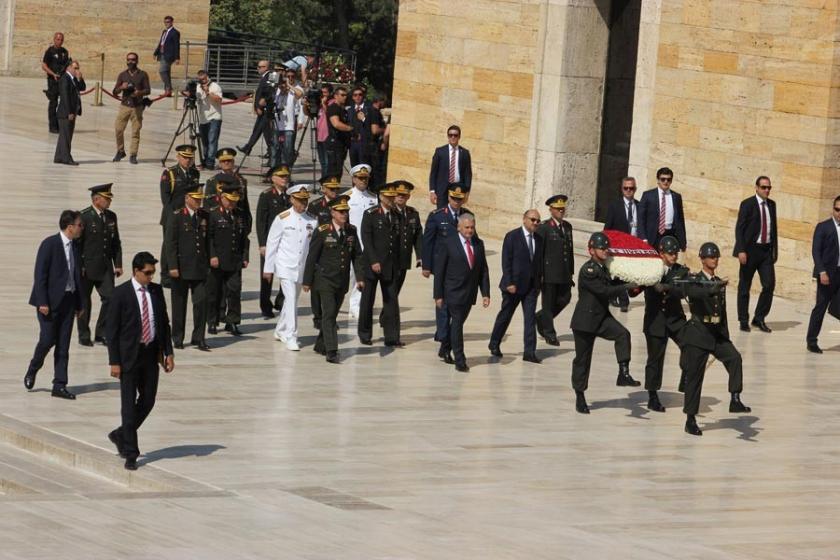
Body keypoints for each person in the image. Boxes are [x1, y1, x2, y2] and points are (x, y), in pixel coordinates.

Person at [105, 252, 174, 470]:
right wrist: (114, 361)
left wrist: (168, 352)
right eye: (147, 273)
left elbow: (163, 322)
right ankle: (131, 453)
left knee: (148, 400)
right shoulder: (121, 294)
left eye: (153, 272)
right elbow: (112, 331)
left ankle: (120, 433)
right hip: (128, 357)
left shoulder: (156, 291)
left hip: (150, 354)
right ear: (136, 271)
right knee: (128, 404)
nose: (151, 277)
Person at [680, 242, 751, 436]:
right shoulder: (694, 280)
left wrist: (726, 336)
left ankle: (735, 399)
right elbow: (694, 293)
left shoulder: (718, 281)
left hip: (716, 332)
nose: (715, 260)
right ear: (702, 259)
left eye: (717, 257)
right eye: (711, 257)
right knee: (695, 377)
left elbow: (723, 311)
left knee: (734, 358)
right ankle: (690, 419)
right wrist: (712, 289)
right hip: (699, 332)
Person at [570, 232, 640, 414]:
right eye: (601, 248)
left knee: (623, 334)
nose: (605, 251)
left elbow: (617, 281)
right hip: (585, 321)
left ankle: (623, 373)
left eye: (606, 248)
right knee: (582, 360)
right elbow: (603, 291)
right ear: (591, 250)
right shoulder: (589, 270)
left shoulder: (606, 268)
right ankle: (580, 395)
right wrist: (625, 287)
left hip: (601, 318)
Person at [24, 210, 84, 399]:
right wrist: (42, 301)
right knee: (48, 339)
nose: (81, 228)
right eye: (79, 225)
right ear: (70, 227)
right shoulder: (49, 244)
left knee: (64, 345)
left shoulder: (75, 247)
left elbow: (77, 277)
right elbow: (40, 275)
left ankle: (59, 384)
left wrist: (80, 304)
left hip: (68, 301)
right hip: (49, 302)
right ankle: (33, 367)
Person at [302, 195, 364, 363]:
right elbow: (312, 257)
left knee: (332, 314)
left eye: (346, 211)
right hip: (324, 280)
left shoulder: (351, 230)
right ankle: (332, 351)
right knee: (329, 315)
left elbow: (357, 256)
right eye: (341, 211)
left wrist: (360, 277)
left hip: (341, 281)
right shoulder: (323, 231)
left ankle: (320, 344)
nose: (344, 214)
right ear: (332, 212)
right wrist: (307, 281)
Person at [433, 213, 491, 372]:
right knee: (457, 324)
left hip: (469, 293)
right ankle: (460, 359)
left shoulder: (479, 244)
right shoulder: (448, 243)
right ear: (459, 227)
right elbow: (440, 271)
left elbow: (483, 271)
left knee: (457, 324)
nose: (470, 230)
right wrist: (438, 295)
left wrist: (485, 293)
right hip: (452, 292)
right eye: (466, 227)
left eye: (472, 227)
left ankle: (445, 347)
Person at [422, 184, 472, 363]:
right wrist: (426, 265)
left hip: (459, 268)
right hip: (441, 266)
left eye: (460, 199)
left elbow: (471, 239)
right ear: (448, 198)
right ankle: (444, 338)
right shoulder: (437, 216)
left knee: (456, 307)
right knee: (442, 304)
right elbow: (427, 241)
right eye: (453, 198)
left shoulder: (467, 216)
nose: (457, 202)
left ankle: (445, 338)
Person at [263, 184, 317, 351]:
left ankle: (280, 329)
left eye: (305, 200)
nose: (303, 203)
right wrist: (268, 268)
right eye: (300, 200)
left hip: (302, 267)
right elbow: (272, 243)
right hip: (285, 265)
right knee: (292, 298)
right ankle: (291, 335)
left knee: (290, 300)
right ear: (292, 199)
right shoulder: (282, 218)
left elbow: (313, 246)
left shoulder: (313, 220)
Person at [489, 209, 543, 363]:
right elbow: (506, 261)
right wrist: (509, 282)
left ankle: (529, 352)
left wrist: (539, 284)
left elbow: (539, 263)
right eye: (533, 220)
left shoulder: (539, 239)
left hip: (531, 287)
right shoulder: (512, 236)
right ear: (524, 219)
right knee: (506, 315)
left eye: (538, 221)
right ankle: (494, 343)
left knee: (530, 318)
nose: (535, 223)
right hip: (513, 286)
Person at [642, 236, 688, 413]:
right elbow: (635, 291)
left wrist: (666, 287)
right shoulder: (650, 270)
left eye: (675, 253)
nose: (674, 256)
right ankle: (652, 395)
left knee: (689, 345)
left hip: (675, 319)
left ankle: (685, 375)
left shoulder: (681, 271)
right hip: (655, 321)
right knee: (655, 359)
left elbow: (681, 289)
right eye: (670, 253)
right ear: (661, 253)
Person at [164, 185, 210, 351]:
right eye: (196, 199)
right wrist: (173, 266)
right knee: (179, 305)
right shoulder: (176, 217)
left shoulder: (205, 215)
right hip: (181, 268)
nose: (199, 201)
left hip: (199, 268)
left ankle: (199, 337)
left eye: (200, 199)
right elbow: (170, 244)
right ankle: (177, 337)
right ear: (187, 199)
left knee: (201, 302)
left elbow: (208, 241)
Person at [77, 184, 122, 347]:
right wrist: (79, 266)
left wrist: (118, 263)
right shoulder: (84, 217)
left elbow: (116, 241)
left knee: (110, 299)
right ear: (96, 200)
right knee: (84, 302)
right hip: (87, 267)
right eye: (106, 198)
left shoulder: (111, 216)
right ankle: (83, 334)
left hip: (105, 267)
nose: (109, 201)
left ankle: (101, 333)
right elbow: (77, 245)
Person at [358, 183, 402, 346]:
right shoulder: (370, 214)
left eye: (393, 197)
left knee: (391, 302)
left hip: (390, 265)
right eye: (389, 197)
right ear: (381, 197)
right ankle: (365, 334)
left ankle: (392, 337)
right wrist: (373, 260)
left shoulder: (396, 215)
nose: (391, 200)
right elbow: (366, 239)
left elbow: (398, 241)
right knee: (368, 300)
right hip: (372, 264)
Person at [207, 181, 251, 336]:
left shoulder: (239, 215)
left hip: (235, 260)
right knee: (215, 292)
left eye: (235, 201)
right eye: (230, 200)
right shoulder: (213, 213)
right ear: (222, 198)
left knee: (234, 292)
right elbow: (209, 238)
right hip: (218, 260)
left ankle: (232, 322)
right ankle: (212, 321)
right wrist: (212, 255)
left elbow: (245, 238)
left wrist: (245, 256)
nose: (232, 203)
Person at [734, 176, 777, 333]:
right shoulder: (747, 204)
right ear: (757, 188)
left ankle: (759, 318)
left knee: (769, 284)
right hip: (749, 251)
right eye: (764, 187)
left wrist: (774, 251)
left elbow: (774, 229)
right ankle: (743, 320)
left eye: (769, 188)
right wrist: (741, 249)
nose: (767, 190)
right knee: (745, 286)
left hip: (765, 251)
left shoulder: (772, 205)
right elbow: (740, 228)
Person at [534, 195, 574, 346]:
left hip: (564, 273)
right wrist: (540, 274)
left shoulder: (568, 227)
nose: (561, 211)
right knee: (548, 303)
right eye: (557, 209)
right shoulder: (544, 227)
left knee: (565, 298)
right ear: (551, 210)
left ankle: (541, 317)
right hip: (549, 273)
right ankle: (549, 333)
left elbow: (568, 251)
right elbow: (539, 253)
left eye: (562, 208)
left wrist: (571, 271)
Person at [159, 145, 200, 286]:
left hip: (188, 215)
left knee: (185, 245)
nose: (188, 160)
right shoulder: (169, 173)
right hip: (172, 216)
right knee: (169, 245)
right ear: (178, 157)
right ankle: (165, 275)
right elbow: (166, 199)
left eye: (190, 158)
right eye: (185, 157)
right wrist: (173, 217)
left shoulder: (195, 173)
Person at [256, 165, 292, 318]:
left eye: (286, 176)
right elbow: (261, 221)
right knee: (267, 275)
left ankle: (281, 301)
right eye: (281, 176)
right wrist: (263, 244)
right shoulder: (266, 196)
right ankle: (265, 306)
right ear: (273, 178)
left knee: (286, 272)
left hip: (286, 242)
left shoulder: (290, 196)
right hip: (271, 242)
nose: (285, 179)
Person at [805, 197, 840, 353]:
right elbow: (816, 251)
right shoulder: (823, 227)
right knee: (820, 307)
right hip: (827, 275)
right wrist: (822, 271)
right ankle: (811, 341)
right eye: (838, 209)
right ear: (833, 209)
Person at [347, 164, 378, 319]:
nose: (363, 181)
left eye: (365, 178)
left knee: (362, 275)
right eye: (360, 178)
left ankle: (355, 305)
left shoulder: (373, 198)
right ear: (353, 179)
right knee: (350, 275)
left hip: (367, 243)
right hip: (352, 241)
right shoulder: (347, 197)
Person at [603, 177, 639, 312]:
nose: (628, 191)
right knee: (622, 272)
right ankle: (624, 301)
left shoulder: (639, 205)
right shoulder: (614, 205)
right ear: (622, 189)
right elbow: (608, 227)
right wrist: (606, 245)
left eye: (631, 188)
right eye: (626, 188)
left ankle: (612, 293)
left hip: (634, 245)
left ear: (635, 189)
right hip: (619, 245)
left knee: (624, 273)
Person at [112, 53, 150, 164]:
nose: (130, 62)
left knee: (135, 132)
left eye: (133, 60)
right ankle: (120, 150)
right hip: (125, 105)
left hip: (137, 106)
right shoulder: (122, 75)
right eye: (128, 60)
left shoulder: (142, 74)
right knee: (118, 129)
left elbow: (148, 90)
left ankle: (133, 155)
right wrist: (121, 87)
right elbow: (115, 91)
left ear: (137, 61)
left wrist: (139, 92)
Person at [638, 167, 687, 251]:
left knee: (668, 262)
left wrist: (683, 242)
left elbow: (680, 220)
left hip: (670, 235)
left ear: (671, 181)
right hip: (653, 236)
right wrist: (643, 238)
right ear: (658, 180)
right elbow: (641, 218)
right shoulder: (648, 195)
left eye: (668, 179)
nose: (665, 182)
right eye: (663, 179)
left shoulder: (676, 197)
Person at [429, 125, 472, 209]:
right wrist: (432, 191)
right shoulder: (440, 151)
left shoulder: (464, 153)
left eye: (455, 135)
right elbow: (434, 172)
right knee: (441, 214)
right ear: (447, 136)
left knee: (455, 215)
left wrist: (467, 192)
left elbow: (468, 174)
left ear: (459, 137)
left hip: (458, 189)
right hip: (442, 190)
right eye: (450, 135)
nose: (453, 137)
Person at [205, 148, 252, 226]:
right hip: (218, 220)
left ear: (233, 162)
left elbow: (245, 204)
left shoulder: (241, 180)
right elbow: (208, 204)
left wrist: (247, 223)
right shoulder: (212, 181)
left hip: (237, 219)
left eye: (229, 160)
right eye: (223, 161)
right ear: (219, 164)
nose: (226, 162)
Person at [392, 180, 422, 295]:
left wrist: (420, 256)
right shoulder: (388, 211)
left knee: (395, 292)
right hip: (390, 259)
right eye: (398, 194)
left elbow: (418, 236)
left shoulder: (413, 213)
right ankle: (389, 313)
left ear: (408, 196)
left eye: (403, 195)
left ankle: (387, 313)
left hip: (404, 259)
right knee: (390, 293)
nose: (400, 197)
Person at [237, 60, 273, 156]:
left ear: (266, 67)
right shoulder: (265, 77)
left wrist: (260, 106)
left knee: (264, 131)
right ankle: (250, 148)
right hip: (262, 110)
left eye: (260, 67)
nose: (258, 68)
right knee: (260, 130)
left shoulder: (270, 76)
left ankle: (270, 151)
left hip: (265, 110)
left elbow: (270, 91)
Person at [53, 61, 85, 166]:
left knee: (64, 136)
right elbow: (65, 97)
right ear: (69, 68)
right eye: (75, 68)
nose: (77, 70)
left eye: (78, 68)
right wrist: (69, 112)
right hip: (66, 113)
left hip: (71, 112)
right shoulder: (65, 79)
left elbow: (82, 87)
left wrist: (80, 78)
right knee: (66, 136)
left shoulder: (73, 79)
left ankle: (59, 157)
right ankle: (67, 158)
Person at [42, 32, 71, 134]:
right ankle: (53, 126)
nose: (60, 41)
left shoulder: (65, 52)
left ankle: (60, 125)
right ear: (54, 39)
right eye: (58, 39)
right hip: (52, 81)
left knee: (63, 103)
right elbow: (44, 66)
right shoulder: (49, 51)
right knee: (53, 103)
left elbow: (67, 66)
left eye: (61, 40)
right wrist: (53, 74)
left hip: (62, 81)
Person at [274, 72, 304, 167]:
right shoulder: (277, 94)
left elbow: (300, 94)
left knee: (288, 149)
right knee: (277, 149)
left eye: (292, 76)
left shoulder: (292, 93)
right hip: (278, 126)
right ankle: (277, 168)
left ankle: (287, 168)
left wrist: (289, 85)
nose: (282, 86)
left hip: (289, 127)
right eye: (288, 77)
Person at [348, 86, 383, 167]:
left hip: (365, 144)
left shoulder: (370, 109)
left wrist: (364, 119)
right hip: (353, 144)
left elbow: (373, 127)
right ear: (352, 97)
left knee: (364, 170)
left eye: (360, 94)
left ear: (363, 96)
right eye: (355, 95)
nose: (357, 97)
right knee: (354, 169)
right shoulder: (350, 110)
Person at [195, 70, 223, 170]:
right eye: (199, 79)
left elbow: (219, 100)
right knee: (205, 142)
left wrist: (208, 92)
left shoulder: (215, 86)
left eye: (203, 79)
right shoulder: (198, 86)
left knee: (212, 140)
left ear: (207, 77)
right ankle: (205, 160)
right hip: (203, 118)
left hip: (214, 117)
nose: (201, 81)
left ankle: (210, 162)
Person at [325, 86, 353, 178]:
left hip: (341, 145)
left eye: (346, 95)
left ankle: (334, 190)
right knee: (333, 172)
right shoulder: (334, 108)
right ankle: (330, 191)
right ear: (336, 96)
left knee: (338, 171)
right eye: (342, 95)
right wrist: (351, 129)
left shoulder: (343, 110)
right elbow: (336, 124)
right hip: (334, 144)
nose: (344, 97)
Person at [153, 16, 180, 96]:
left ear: (172, 22)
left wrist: (177, 58)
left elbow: (176, 46)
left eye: (168, 22)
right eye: (165, 22)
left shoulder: (175, 32)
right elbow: (161, 42)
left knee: (162, 71)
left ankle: (169, 89)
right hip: (161, 54)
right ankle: (167, 92)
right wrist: (155, 52)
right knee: (166, 73)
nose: (166, 24)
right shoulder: (164, 31)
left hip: (169, 55)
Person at [315, 84, 334, 177]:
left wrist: (324, 103)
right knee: (322, 162)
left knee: (327, 162)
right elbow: (311, 114)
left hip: (327, 135)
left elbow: (329, 114)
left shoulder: (332, 102)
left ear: (330, 93)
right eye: (322, 93)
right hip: (319, 135)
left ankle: (326, 182)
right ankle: (323, 180)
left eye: (325, 93)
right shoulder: (320, 103)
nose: (323, 95)